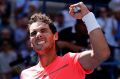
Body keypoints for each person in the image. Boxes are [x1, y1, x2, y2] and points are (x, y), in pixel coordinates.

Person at [20, 2, 110, 79]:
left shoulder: (72, 61)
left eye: (43, 30)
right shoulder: (26, 74)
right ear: (30, 42)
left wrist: (87, 16)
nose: (38, 35)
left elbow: (101, 53)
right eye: (33, 33)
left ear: (55, 36)